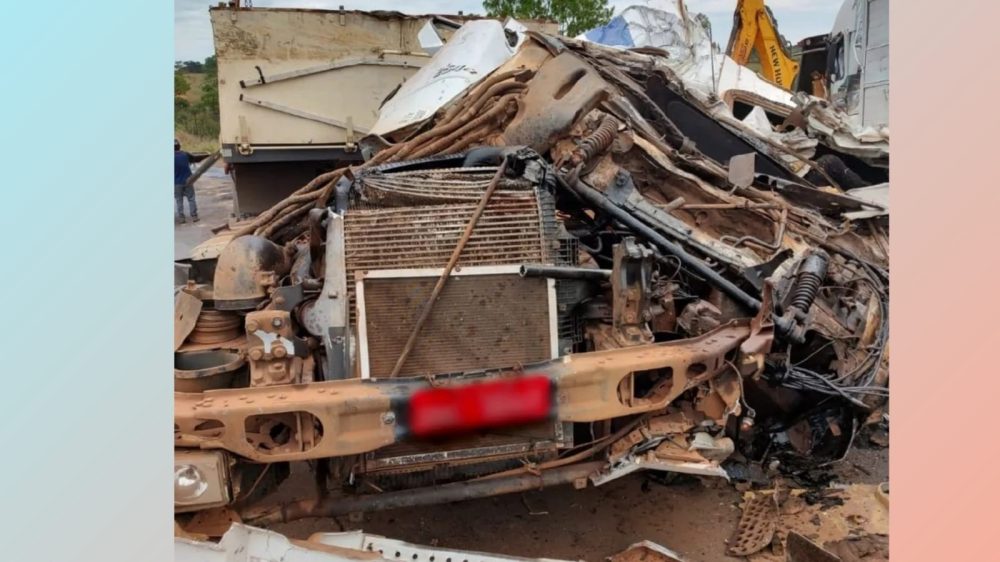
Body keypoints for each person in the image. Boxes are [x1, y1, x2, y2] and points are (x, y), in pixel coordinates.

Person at [174, 139, 210, 223]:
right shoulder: (185, 154)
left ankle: (182, 218)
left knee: (179, 200)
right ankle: (194, 217)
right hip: (188, 180)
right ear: (179, 146)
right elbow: (196, 159)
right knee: (191, 198)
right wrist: (207, 155)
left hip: (176, 183)